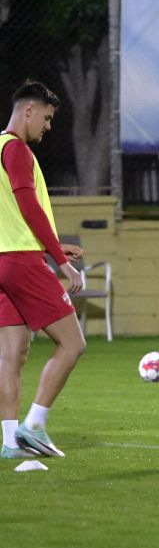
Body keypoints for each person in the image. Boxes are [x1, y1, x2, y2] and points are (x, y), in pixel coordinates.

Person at [0, 80, 86, 460]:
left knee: (13, 354)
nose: (48, 127)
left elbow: (12, 214)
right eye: (47, 118)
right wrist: (62, 261)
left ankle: (7, 442)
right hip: (21, 262)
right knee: (73, 343)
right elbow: (27, 205)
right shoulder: (17, 150)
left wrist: (48, 244)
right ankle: (33, 426)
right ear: (28, 111)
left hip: (3, 260)